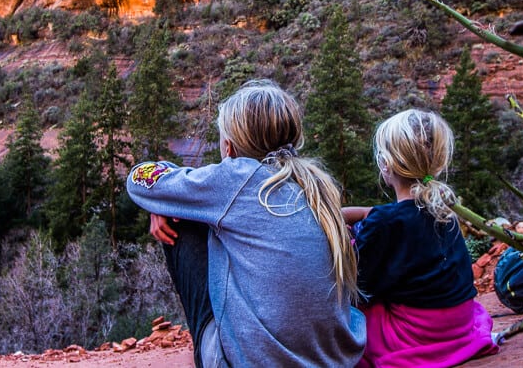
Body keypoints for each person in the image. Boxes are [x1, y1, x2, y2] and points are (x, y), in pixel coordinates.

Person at [127, 79, 366, 367]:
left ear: (229, 147)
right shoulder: (315, 184)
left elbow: (140, 180)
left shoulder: (236, 177)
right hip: (336, 360)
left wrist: (165, 201)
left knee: (187, 223)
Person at [342, 109, 499, 368]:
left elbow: (359, 290)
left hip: (417, 336)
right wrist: (365, 213)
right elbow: (400, 218)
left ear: (386, 166)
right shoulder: (443, 211)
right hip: (458, 326)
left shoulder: (385, 224)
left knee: (350, 320)